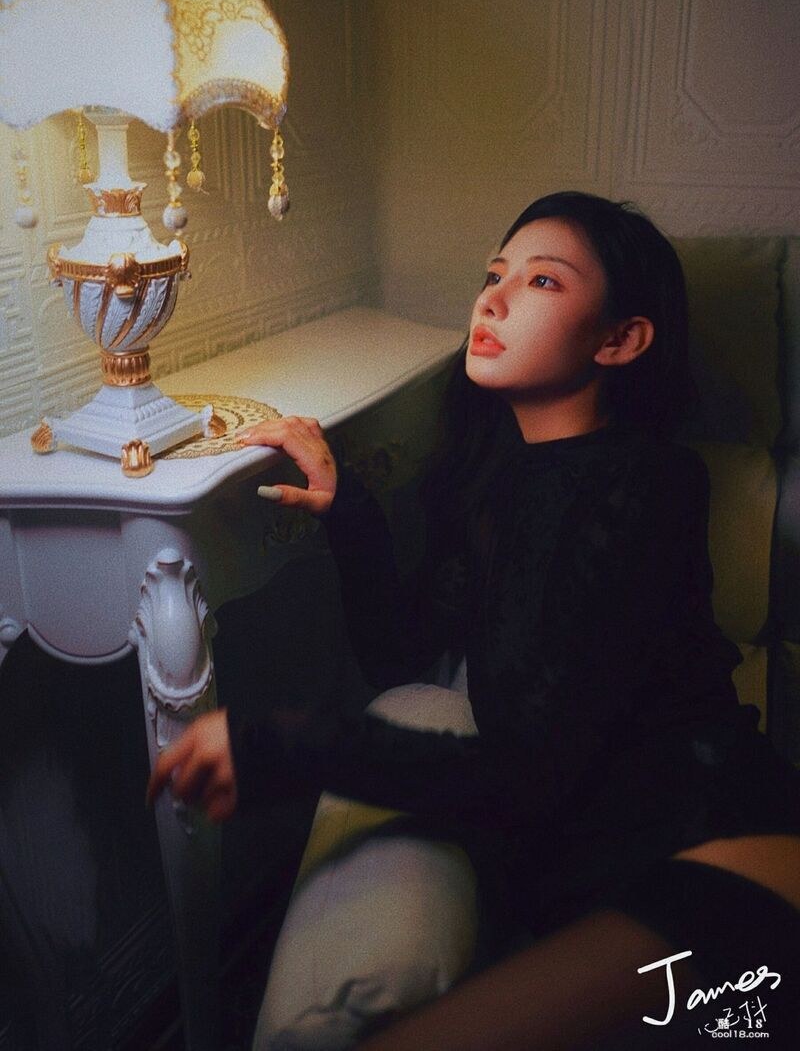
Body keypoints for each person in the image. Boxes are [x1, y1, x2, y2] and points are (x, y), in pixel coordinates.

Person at [148, 192, 800, 1049]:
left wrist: (283, 745)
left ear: (620, 339)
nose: (492, 298)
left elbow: (529, 770)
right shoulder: (500, 486)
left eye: (541, 280)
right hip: (603, 880)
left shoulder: (649, 484)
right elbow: (398, 655)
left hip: (724, 850)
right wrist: (347, 509)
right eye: (494, 274)